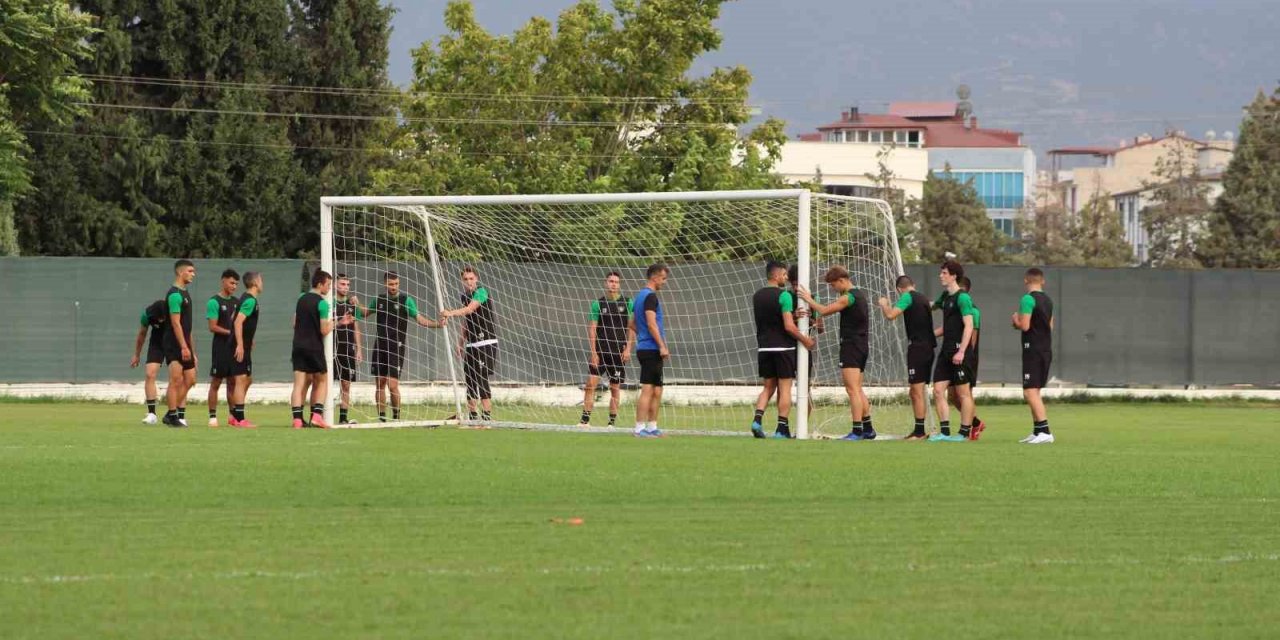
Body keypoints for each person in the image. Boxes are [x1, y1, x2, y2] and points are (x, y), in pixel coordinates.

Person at [797, 265, 875, 441]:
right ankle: (868, 428)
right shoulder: (859, 295)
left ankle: (856, 431)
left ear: (842, 280)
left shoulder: (848, 297)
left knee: (852, 389)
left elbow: (824, 311)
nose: (833, 289)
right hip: (861, 346)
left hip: (852, 346)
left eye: (833, 285)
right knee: (858, 389)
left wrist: (808, 299)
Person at [358, 271, 445, 423]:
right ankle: (382, 419)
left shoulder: (406, 300)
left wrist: (437, 324)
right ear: (385, 284)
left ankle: (397, 417)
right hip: (380, 346)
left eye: (396, 284)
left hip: (396, 348)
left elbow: (420, 320)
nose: (394, 287)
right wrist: (355, 304)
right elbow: (364, 313)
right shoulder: (379, 300)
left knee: (392, 385)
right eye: (391, 284)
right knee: (380, 384)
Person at [750, 261, 816, 439]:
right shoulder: (785, 296)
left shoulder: (757, 296)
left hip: (764, 348)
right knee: (784, 388)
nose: (786, 279)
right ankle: (782, 428)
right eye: (785, 275)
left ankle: (757, 420)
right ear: (777, 275)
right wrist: (805, 340)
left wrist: (793, 315)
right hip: (783, 347)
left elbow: (774, 319)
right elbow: (788, 327)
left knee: (767, 388)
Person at [876, 274, 935, 440]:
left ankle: (919, 432)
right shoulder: (922, 298)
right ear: (913, 284)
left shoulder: (907, 297)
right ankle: (919, 429)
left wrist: (884, 305)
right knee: (916, 391)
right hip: (928, 348)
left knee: (916, 391)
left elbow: (890, 315)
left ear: (898, 289)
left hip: (918, 348)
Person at [927, 261, 977, 442]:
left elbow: (969, 325)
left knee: (963, 394)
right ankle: (945, 432)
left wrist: (962, 351)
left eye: (945, 273)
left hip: (960, 352)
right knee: (938, 390)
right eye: (941, 272)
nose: (941, 275)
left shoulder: (963, 298)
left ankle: (964, 433)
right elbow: (932, 305)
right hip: (946, 351)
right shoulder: (945, 296)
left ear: (954, 276)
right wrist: (912, 299)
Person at [291, 269, 347, 429]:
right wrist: (339, 322)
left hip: (297, 345)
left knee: (299, 384)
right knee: (322, 380)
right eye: (328, 285)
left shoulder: (301, 298)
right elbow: (324, 330)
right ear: (320, 284)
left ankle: (297, 420)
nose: (329, 288)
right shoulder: (322, 303)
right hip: (313, 347)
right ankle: (317, 416)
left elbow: (294, 323)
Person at [578, 272, 634, 428]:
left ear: (619, 284)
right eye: (611, 281)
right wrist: (594, 352)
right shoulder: (598, 304)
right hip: (601, 352)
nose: (613, 284)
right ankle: (584, 421)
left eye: (616, 281)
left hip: (618, 353)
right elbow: (592, 328)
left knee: (615, 388)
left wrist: (628, 348)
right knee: (590, 384)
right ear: (606, 283)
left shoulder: (628, 302)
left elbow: (631, 328)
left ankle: (611, 423)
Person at [441, 267, 497, 422]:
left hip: (486, 341)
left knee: (481, 378)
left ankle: (486, 419)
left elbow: (470, 309)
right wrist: (460, 343)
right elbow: (467, 321)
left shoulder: (481, 292)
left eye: (471, 278)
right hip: (471, 344)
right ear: (462, 281)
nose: (469, 282)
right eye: (465, 279)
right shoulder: (464, 296)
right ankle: (473, 418)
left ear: (476, 278)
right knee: (470, 380)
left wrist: (450, 313)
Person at [1013, 267, 1055, 444]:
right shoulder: (1048, 300)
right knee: (1034, 391)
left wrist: (1015, 319)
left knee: (1030, 391)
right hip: (1045, 349)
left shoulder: (1027, 299)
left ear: (1025, 281)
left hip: (1033, 349)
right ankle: (1037, 431)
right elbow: (1050, 326)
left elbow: (1025, 326)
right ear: (1042, 281)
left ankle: (1045, 431)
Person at [630, 263, 670, 438]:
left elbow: (631, 323)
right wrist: (661, 345)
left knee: (657, 389)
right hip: (651, 349)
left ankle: (652, 427)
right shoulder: (650, 297)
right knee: (648, 388)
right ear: (654, 277)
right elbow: (651, 323)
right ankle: (639, 429)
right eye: (663, 278)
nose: (664, 282)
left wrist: (642, 335)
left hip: (647, 347)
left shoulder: (640, 296)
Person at [950, 275, 987, 440]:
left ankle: (966, 428)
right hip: (952, 355)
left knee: (965, 394)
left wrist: (965, 354)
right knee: (952, 395)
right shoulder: (952, 305)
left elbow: (972, 334)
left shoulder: (972, 308)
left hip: (966, 358)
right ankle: (976, 422)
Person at [162, 260, 197, 428]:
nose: (193, 274)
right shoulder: (175, 294)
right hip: (174, 343)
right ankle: (173, 415)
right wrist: (183, 346)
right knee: (175, 379)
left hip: (185, 344)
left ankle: (171, 412)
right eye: (190, 271)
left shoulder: (185, 293)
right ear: (180, 272)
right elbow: (176, 324)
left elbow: (187, 326)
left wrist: (192, 350)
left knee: (190, 379)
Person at [205, 269, 240, 427]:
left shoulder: (237, 302)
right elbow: (212, 326)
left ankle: (233, 416)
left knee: (233, 382)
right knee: (216, 382)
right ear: (223, 281)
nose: (234, 286)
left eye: (236, 284)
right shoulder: (214, 302)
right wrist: (231, 332)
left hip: (234, 348)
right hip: (220, 348)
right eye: (232, 282)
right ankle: (212, 416)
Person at [230, 271, 263, 428]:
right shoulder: (249, 301)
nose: (262, 282)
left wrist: (249, 339)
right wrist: (240, 344)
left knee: (247, 380)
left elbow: (233, 318)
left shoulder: (245, 298)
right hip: (239, 346)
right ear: (255, 282)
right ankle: (239, 419)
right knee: (241, 380)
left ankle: (235, 415)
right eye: (261, 279)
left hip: (245, 344)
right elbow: (237, 322)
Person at [131, 299, 169, 424]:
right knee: (149, 374)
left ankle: (176, 413)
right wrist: (136, 355)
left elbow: (186, 331)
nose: (161, 321)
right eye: (159, 319)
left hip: (173, 342)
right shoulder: (147, 315)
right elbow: (142, 334)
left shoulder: (175, 311)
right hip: (157, 343)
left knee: (178, 377)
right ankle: (152, 414)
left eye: (163, 318)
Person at [332, 275, 362, 424]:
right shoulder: (328, 303)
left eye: (348, 284)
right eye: (342, 284)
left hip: (348, 348)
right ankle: (318, 414)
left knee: (346, 384)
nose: (345, 287)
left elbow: (356, 327)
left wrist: (359, 349)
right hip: (330, 348)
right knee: (324, 382)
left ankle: (343, 418)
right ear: (335, 285)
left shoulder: (352, 305)